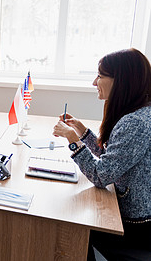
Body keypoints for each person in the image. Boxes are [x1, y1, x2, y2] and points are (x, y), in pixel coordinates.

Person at [52, 48, 151, 260]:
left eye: (100, 75)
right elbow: (112, 157)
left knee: (68, 228)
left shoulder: (135, 123)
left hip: (135, 227)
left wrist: (72, 140)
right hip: (135, 216)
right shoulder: (140, 112)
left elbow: (99, 176)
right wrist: (82, 131)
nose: (94, 82)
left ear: (120, 80)